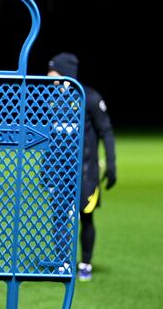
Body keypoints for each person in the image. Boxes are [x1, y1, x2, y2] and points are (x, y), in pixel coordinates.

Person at [48, 52, 117, 281]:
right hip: (60, 172)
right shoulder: (52, 100)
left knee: (86, 216)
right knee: (59, 217)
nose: (49, 77)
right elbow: (50, 138)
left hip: (86, 171)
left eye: (54, 72)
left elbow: (105, 131)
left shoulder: (89, 97)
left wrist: (111, 164)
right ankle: (61, 263)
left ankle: (85, 263)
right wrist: (45, 169)